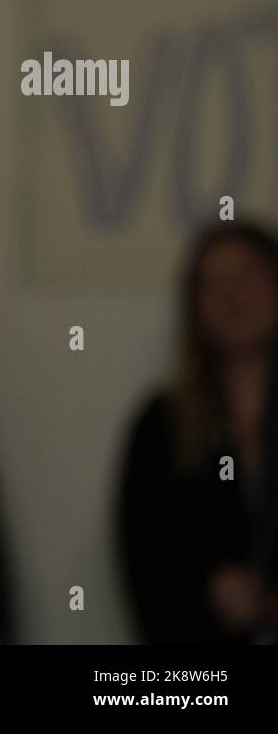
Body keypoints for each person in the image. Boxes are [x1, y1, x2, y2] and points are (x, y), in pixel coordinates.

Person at [119, 221, 278, 643]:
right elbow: (144, 562)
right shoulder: (163, 425)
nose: (231, 297)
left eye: (246, 276)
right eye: (212, 284)